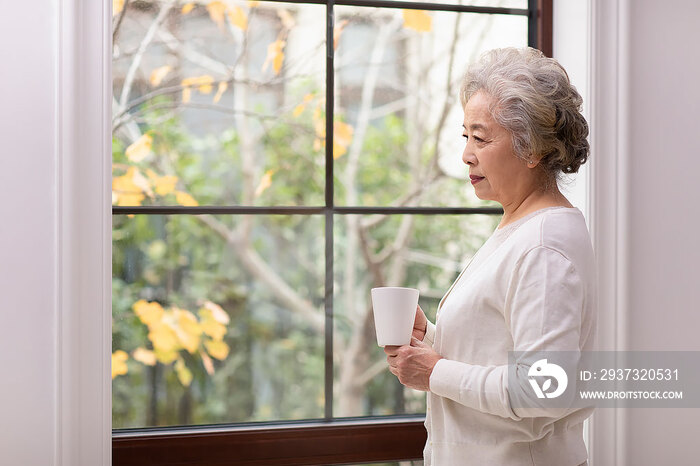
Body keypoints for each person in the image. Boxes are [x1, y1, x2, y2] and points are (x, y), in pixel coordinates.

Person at [384, 47, 596, 466]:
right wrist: (429, 339)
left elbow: (544, 389)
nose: (466, 153)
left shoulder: (543, 244)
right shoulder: (519, 227)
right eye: (466, 136)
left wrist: (433, 372)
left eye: (480, 138)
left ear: (532, 149)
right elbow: (495, 348)